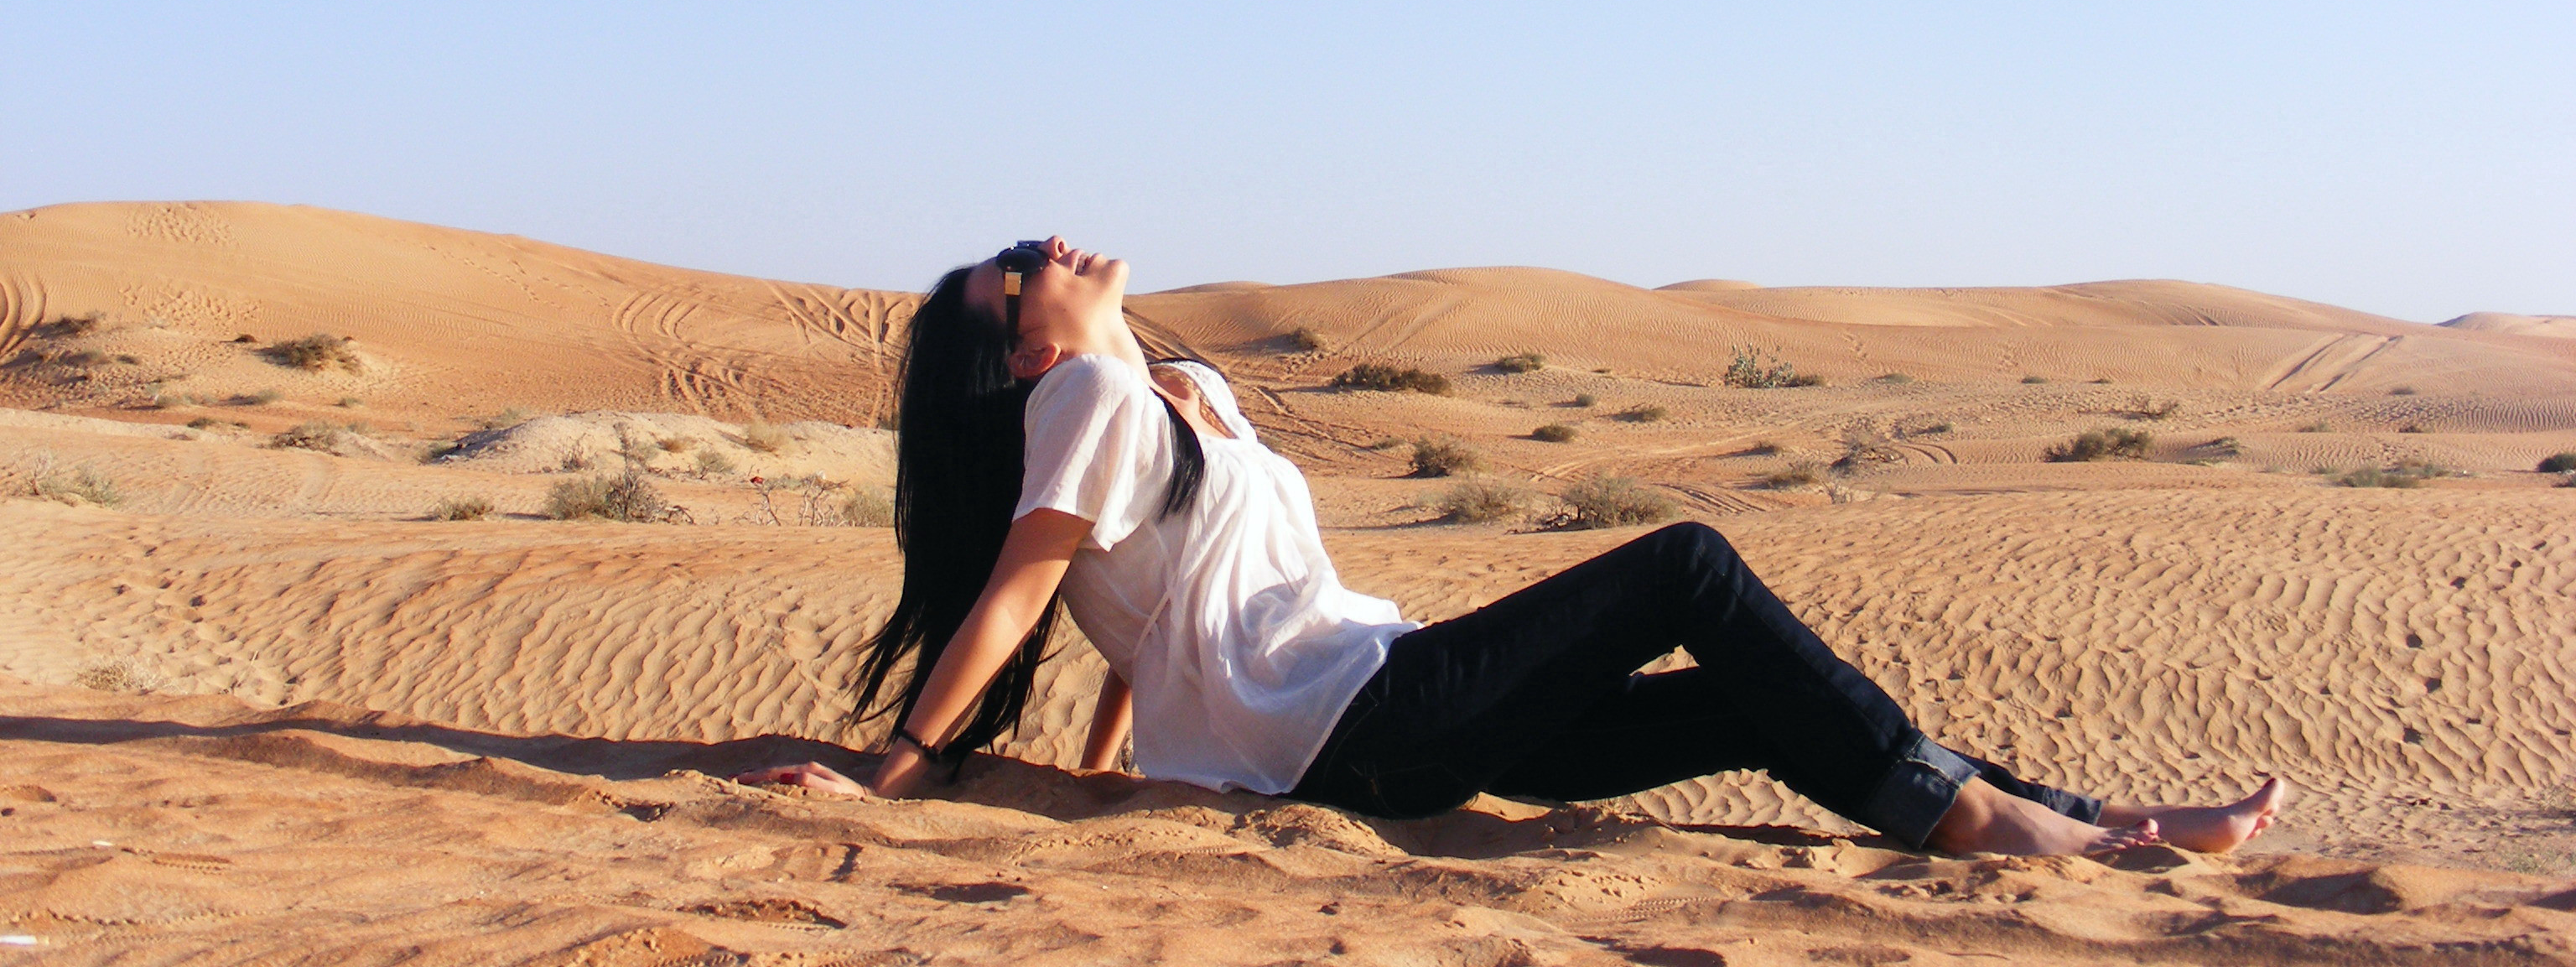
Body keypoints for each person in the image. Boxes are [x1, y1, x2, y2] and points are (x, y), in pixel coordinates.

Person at [746, 238, 2290, 857]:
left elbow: (1168, 615)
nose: (1052, 251)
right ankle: (1998, 829)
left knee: (1759, 699)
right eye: (1021, 270)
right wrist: (899, 773)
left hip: (1390, 705)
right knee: (1688, 566)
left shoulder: (1181, 392)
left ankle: (2091, 819)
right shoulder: (1079, 398)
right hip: (1363, 723)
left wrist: (1121, 766)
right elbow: (1022, 592)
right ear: (1023, 348)